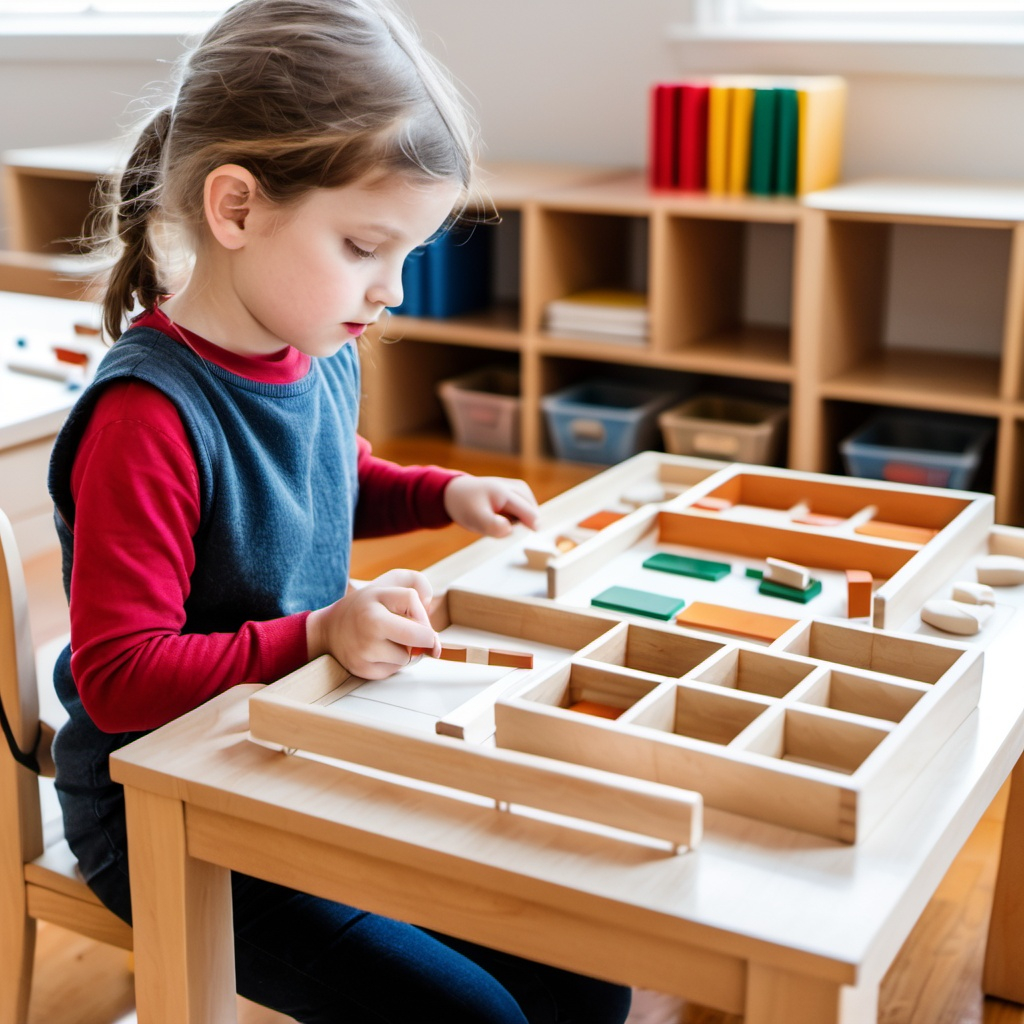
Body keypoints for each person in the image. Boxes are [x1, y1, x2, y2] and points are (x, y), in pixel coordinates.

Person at [46, 1, 633, 1022]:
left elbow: (327, 477)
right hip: (161, 808)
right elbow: (119, 676)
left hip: (288, 755)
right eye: (366, 246)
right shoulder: (146, 417)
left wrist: (440, 491)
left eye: (406, 254)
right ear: (234, 208)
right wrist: (319, 631)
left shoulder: (315, 348)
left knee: (589, 983)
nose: (391, 290)